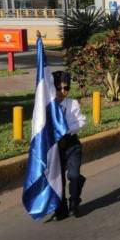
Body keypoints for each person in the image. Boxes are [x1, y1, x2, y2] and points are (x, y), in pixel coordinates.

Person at [51, 71, 87, 220]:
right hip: (55, 147)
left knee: (74, 175)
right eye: (59, 88)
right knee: (58, 179)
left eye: (66, 88)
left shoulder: (72, 104)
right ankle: (61, 208)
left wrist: (66, 129)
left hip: (71, 144)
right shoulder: (48, 106)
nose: (63, 92)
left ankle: (74, 201)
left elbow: (81, 121)